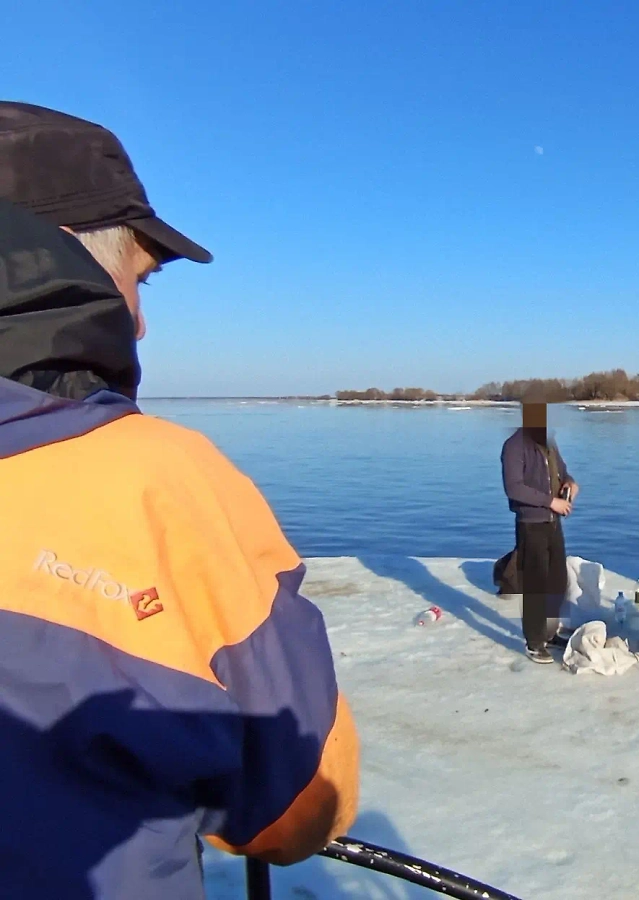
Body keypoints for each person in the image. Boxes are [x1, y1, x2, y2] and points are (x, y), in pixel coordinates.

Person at [0, 102, 359, 899]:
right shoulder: (149, 476)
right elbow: (300, 800)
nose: (141, 321)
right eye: (140, 279)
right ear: (54, 262)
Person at [501, 394, 578, 664]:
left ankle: (550, 632)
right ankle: (534, 642)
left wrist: (570, 483)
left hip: (553, 522)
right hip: (531, 523)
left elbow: (563, 472)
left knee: (557, 580)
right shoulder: (514, 446)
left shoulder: (548, 443)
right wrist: (550, 501)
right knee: (536, 583)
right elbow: (515, 488)